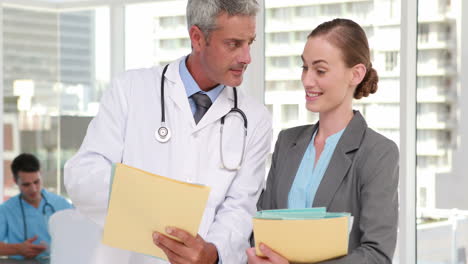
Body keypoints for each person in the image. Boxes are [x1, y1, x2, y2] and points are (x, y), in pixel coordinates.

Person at [64, 0, 272, 263]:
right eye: (233, 44)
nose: (246, 58)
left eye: (250, 43)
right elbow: (83, 174)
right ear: (197, 38)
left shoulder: (254, 118)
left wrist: (213, 252)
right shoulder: (130, 90)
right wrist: (148, 202)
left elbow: (241, 206)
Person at [246, 18, 399, 264]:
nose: (307, 80)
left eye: (320, 70)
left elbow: (376, 255)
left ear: (356, 74)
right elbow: (261, 227)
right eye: (305, 68)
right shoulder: (287, 142)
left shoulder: (378, 153)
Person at [0, 153, 73, 260]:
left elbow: (78, 236)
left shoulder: (61, 204)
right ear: (16, 181)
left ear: (41, 175)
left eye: (36, 182)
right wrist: (18, 249)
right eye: (26, 184)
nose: (33, 189)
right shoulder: (6, 210)